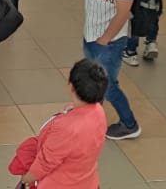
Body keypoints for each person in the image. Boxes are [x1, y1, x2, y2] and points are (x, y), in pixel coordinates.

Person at [69, 0, 142, 140]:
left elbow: (122, 12)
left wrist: (105, 39)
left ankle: (129, 124)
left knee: (108, 86)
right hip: (89, 35)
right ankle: (92, 119)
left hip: (109, 42)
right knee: (94, 82)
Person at [7, 59, 109, 189]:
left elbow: (45, 163)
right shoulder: (99, 112)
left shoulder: (67, 128)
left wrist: (25, 180)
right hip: (88, 182)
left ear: (71, 87)